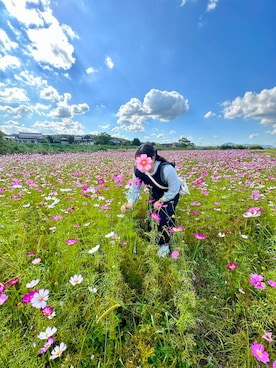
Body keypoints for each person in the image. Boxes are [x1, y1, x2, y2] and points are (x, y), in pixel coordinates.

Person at [121, 144, 181, 257]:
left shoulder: (166, 169)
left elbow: (174, 189)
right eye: (138, 161)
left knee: (165, 217)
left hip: (170, 195)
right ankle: (153, 240)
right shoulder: (138, 171)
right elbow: (135, 188)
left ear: (152, 158)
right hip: (155, 193)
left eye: (144, 161)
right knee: (152, 217)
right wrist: (130, 203)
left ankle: (165, 244)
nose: (141, 165)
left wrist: (162, 200)